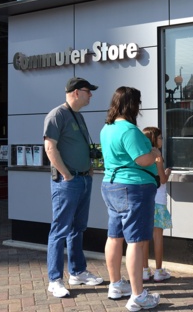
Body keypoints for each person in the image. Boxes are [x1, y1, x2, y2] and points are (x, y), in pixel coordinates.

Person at [100, 86, 161, 311]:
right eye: (138, 103)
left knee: (114, 236)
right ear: (132, 104)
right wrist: (154, 153)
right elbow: (141, 160)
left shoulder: (107, 128)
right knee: (135, 241)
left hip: (111, 185)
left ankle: (116, 285)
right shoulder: (129, 130)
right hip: (134, 188)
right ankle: (138, 296)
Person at [43, 77, 103, 298]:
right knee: (60, 230)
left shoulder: (78, 115)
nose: (91, 95)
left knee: (78, 228)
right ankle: (55, 280)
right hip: (67, 182)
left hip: (83, 179)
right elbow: (50, 148)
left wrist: (88, 169)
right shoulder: (57, 115)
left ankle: (77, 272)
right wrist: (66, 174)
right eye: (88, 91)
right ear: (76, 92)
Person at [141, 126, 172, 282]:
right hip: (158, 202)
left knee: (144, 238)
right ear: (153, 139)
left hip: (145, 201)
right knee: (158, 237)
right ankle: (159, 271)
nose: (162, 140)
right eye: (159, 137)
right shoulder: (157, 156)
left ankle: (145, 270)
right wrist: (167, 172)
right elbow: (162, 180)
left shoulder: (142, 157)